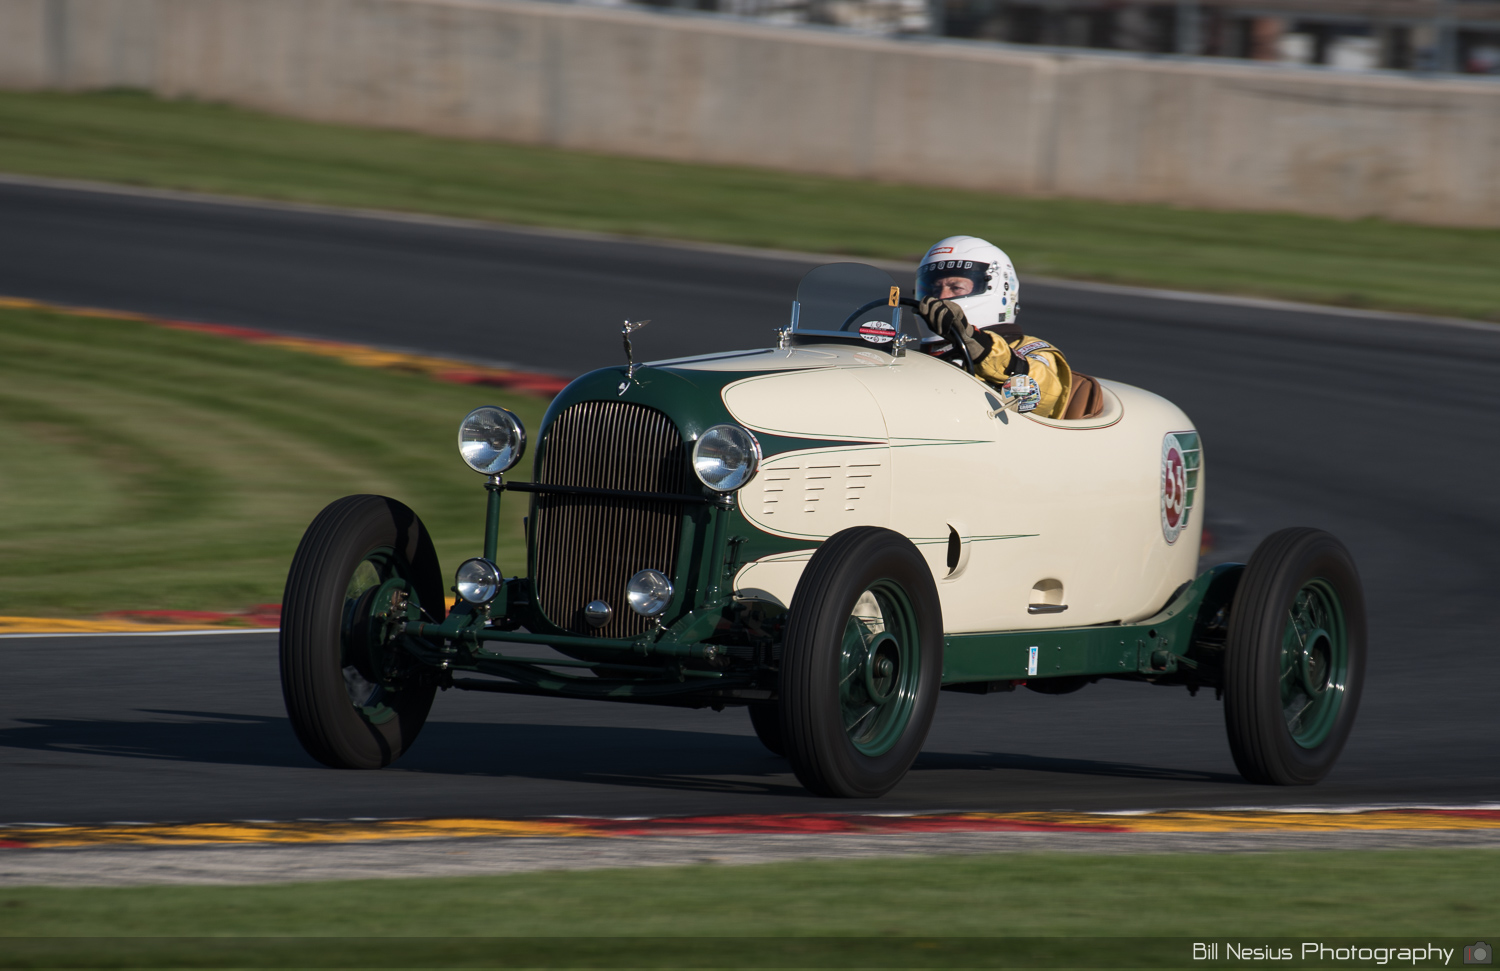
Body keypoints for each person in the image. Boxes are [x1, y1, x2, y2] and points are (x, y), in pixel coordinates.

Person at [914, 235, 1073, 419]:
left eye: (955, 287)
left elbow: (1045, 394)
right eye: (934, 289)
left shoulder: (1033, 350)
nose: (940, 297)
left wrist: (977, 345)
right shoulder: (918, 356)